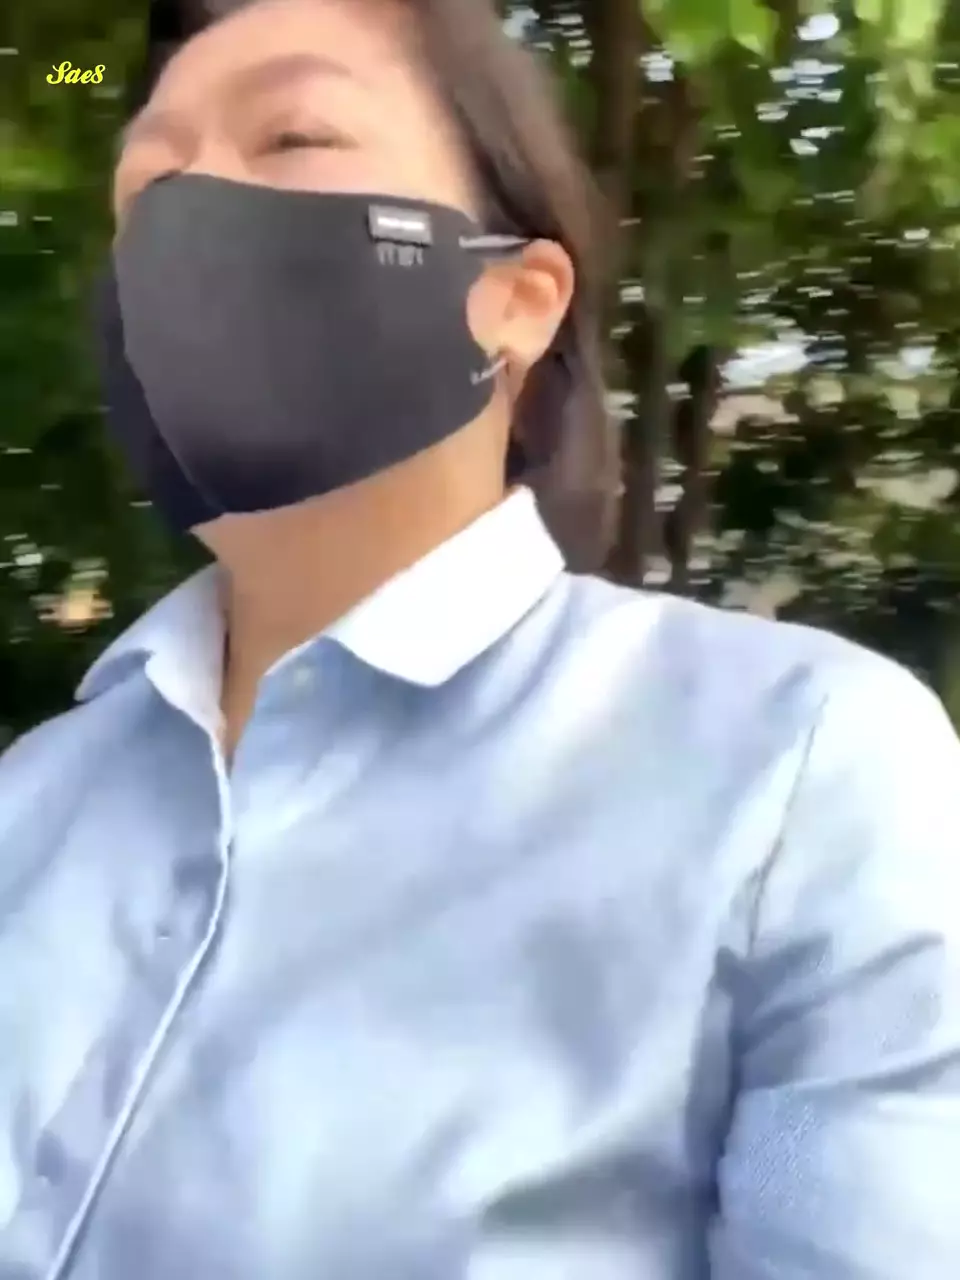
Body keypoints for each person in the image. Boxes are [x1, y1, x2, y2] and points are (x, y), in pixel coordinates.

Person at [1, 0, 958, 1276]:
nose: (183, 213)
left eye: (293, 136)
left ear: (516, 299)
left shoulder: (798, 768)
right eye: (144, 187)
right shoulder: (32, 802)